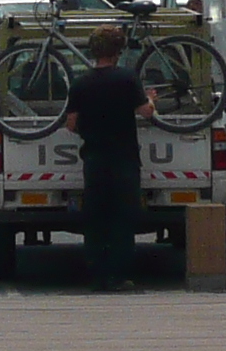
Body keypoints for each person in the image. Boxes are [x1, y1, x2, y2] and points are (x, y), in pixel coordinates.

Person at [58, 25, 157, 291]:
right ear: (118, 51)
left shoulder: (81, 83)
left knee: (96, 218)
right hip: (124, 158)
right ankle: (120, 275)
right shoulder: (127, 79)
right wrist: (150, 99)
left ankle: (97, 275)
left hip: (94, 158)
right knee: (123, 219)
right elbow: (146, 112)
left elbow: (70, 123)